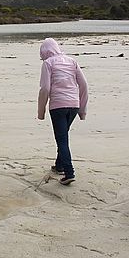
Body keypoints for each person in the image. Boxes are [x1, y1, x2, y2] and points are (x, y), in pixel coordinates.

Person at [37, 38, 89, 185]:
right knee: (63, 135)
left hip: (58, 106)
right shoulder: (72, 61)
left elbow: (45, 89)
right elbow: (84, 85)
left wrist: (41, 112)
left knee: (61, 139)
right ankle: (59, 165)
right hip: (74, 105)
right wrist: (82, 109)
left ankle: (69, 172)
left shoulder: (48, 63)